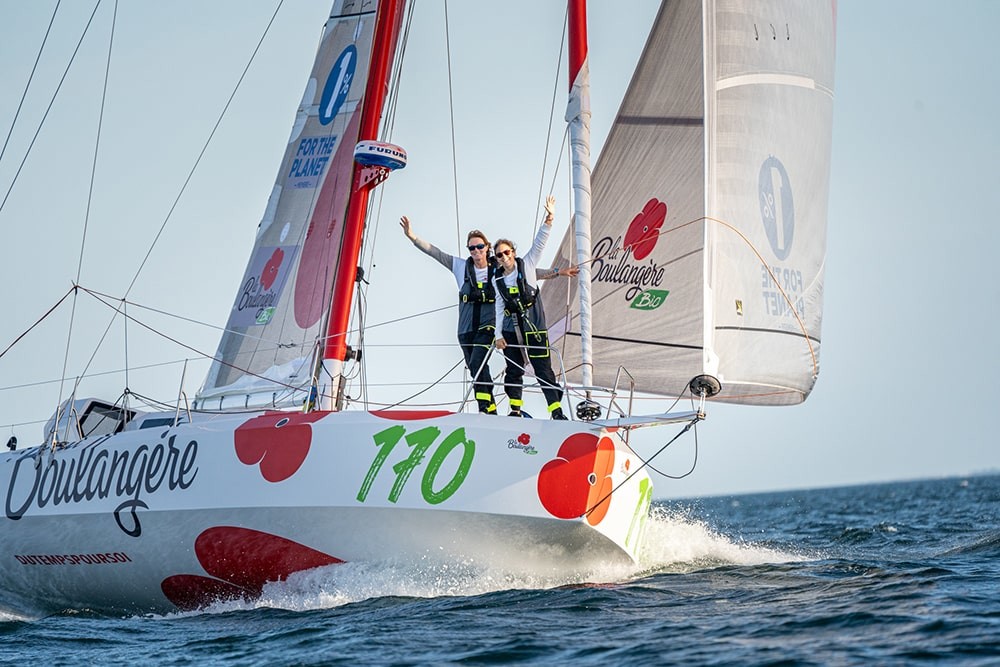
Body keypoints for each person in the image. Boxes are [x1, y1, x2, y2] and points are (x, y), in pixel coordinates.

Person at [399, 216, 575, 415]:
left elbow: (528, 271)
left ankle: (499, 409)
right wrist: (412, 237)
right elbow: (435, 253)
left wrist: (558, 272)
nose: (476, 251)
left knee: (481, 362)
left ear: (487, 248)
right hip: (466, 329)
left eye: (480, 247)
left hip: (490, 325)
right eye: (471, 248)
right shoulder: (460, 267)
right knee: (476, 367)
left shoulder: (498, 269)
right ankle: (489, 408)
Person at [493, 195, 570, 420]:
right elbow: (499, 306)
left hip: (534, 326)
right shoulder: (497, 280)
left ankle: (556, 411)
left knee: (542, 368)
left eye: (507, 252)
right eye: (499, 255)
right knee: (514, 370)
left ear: (513, 253)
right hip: (510, 330)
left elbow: (540, 242)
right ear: (496, 259)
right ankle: (515, 410)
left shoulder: (526, 264)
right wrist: (498, 335)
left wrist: (550, 218)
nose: (504, 256)